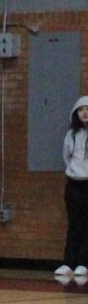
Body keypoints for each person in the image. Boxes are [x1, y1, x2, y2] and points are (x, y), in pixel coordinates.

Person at [62, 97, 88, 281]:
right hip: (74, 184)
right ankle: (69, 263)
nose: (84, 113)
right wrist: (74, 172)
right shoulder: (71, 134)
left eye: (87, 109)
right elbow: (67, 156)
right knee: (74, 223)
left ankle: (83, 263)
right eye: (81, 110)